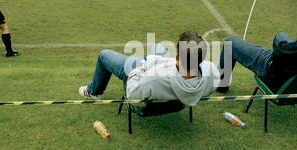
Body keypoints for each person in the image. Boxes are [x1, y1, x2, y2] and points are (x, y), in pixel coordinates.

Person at [79, 31, 220, 106]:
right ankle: (153, 58)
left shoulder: (153, 80)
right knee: (157, 47)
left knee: (104, 55)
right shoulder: (212, 72)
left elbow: (132, 95)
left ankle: (94, 92)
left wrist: (140, 69)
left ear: (177, 56)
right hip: (166, 67)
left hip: (145, 70)